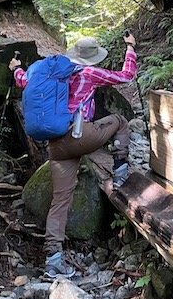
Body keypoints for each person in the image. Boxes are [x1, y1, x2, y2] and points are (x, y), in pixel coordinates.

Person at [8, 32, 138, 278]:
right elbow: (126, 76)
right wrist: (130, 48)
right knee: (120, 121)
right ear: (93, 58)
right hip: (80, 136)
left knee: (60, 200)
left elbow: (23, 81)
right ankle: (120, 173)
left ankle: (53, 258)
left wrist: (16, 68)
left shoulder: (48, 74)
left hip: (56, 144)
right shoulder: (88, 73)